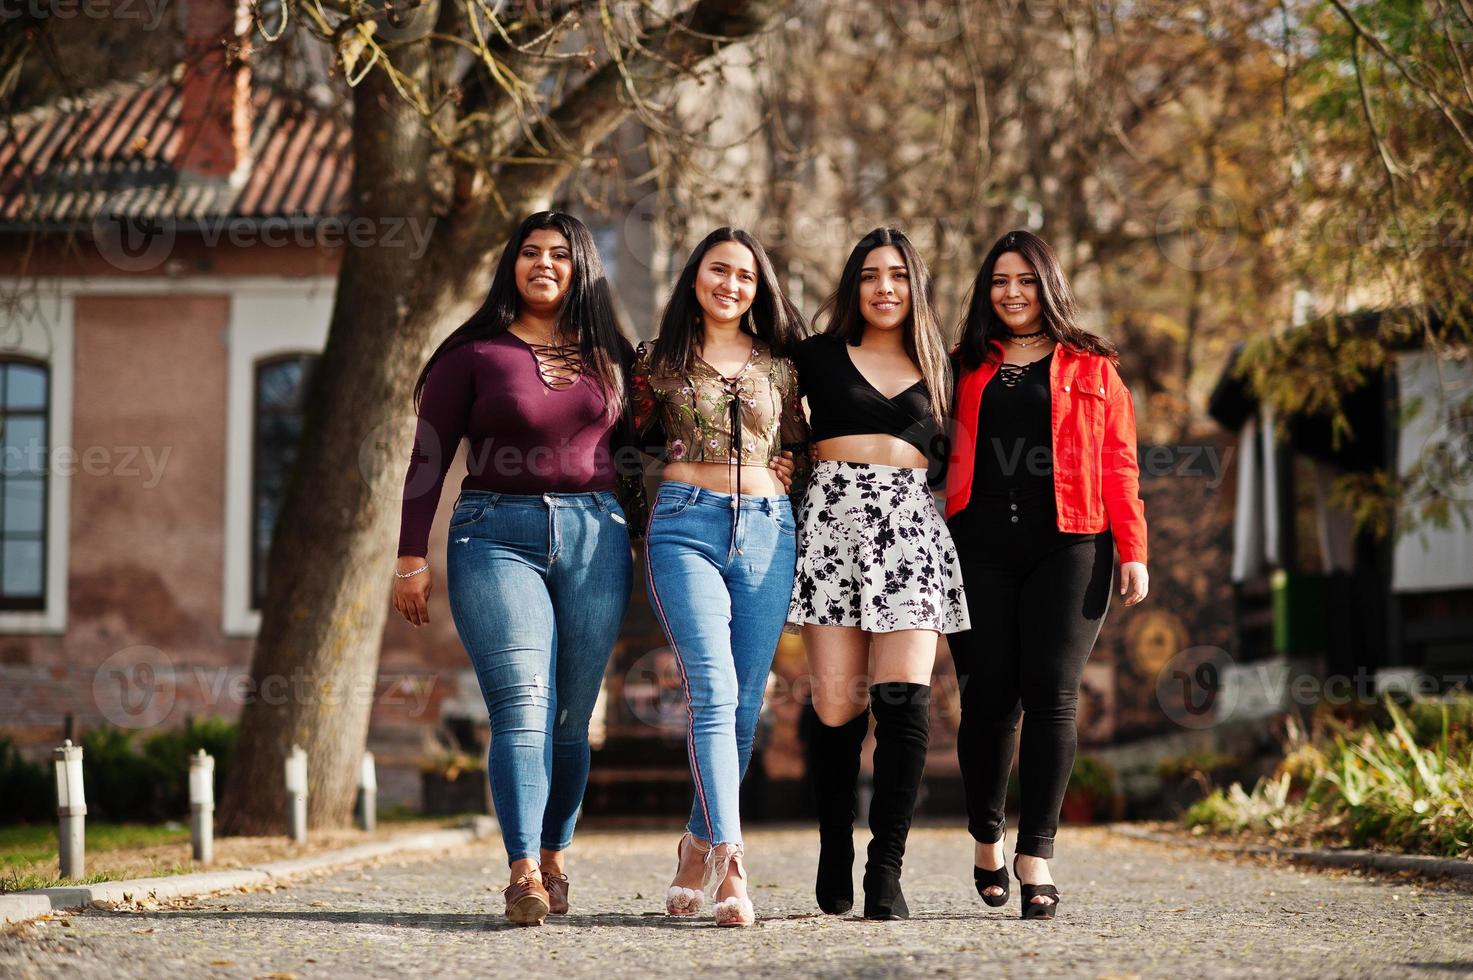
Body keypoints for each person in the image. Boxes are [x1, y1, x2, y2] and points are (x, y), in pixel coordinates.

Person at [392, 211, 640, 926]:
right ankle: (522, 869)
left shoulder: (611, 355)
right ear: (511, 265)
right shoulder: (471, 354)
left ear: (580, 268)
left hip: (596, 537)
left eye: (559, 255)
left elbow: (642, 451)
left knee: (570, 717)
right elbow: (427, 459)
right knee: (523, 706)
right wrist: (411, 555)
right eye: (529, 252)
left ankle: (556, 850)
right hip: (493, 535)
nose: (542, 264)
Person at [946, 229, 1149, 921]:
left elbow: (1120, 462)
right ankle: (985, 835)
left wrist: (1134, 549)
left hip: (1071, 543)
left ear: (1047, 285)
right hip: (975, 546)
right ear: (986, 290)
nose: (1012, 293)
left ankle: (1036, 854)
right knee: (987, 700)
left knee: (1052, 696)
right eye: (1000, 280)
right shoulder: (960, 364)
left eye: (1025, 280)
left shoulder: (1092, 366)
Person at [789, 227, 967, 921]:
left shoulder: (944, 365)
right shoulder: (816, 356)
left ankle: (884, 871)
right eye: (869, 275)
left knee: (904, 705)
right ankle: (834, 845)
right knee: (835, 707)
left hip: (910, 534)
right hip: (832, 526)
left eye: (896, 275)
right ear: (852, 285)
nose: (884, 287)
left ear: (914, 286)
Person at [634, 227, 808, 927]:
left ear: (758, 287)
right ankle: (732, 862)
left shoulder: (783, 367)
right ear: (694, 278)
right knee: (712, 689)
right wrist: (637, 517)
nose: (730, 284)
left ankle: (693, 845)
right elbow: (623, 447)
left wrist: (783, 475)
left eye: (744, 275)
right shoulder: (656, 363)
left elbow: (799, 445)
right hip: (684, 525)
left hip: (767, 530)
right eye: (717, 270)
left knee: (744, 706)